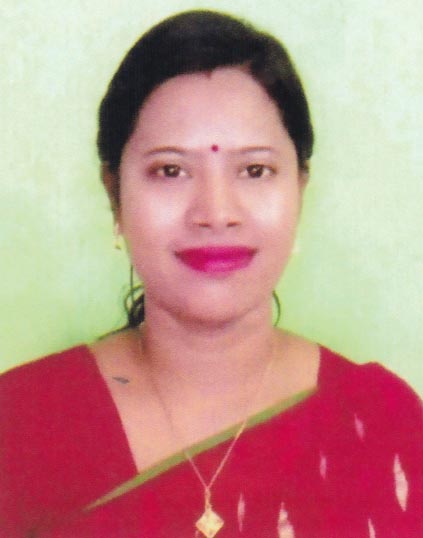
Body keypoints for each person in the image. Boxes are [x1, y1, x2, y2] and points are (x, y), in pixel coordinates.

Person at [0, 9, 422, 538]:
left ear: (300, 189)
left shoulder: (378, 426)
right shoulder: (21, 424)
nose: (216, 213)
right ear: (114, 194)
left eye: (255, 170)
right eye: (171, 170)